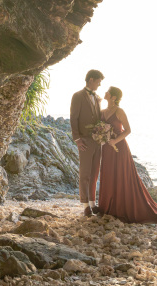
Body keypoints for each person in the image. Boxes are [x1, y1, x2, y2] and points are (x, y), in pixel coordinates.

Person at [97, 86, 157, 223]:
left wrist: (115, 140)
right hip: (106, 149)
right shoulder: (102, 112)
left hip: (119, 147)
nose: (105, 93)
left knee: (122, 176)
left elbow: (128, 130)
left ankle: (123, 209)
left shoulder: (120, 111)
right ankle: (107, 207)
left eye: (108, 92)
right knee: (108, 174)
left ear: (114, 97)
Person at [70, 69, 104, 217]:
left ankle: (92, 204)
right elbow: (73, 118)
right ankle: (85, 205)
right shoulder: (77, 96)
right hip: (84, 140)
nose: (99, 84)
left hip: (97, 141)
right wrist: (77, 139)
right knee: (85, 173)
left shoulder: (97, 97)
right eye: (98, 81)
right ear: (91, 80)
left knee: (94, 173)